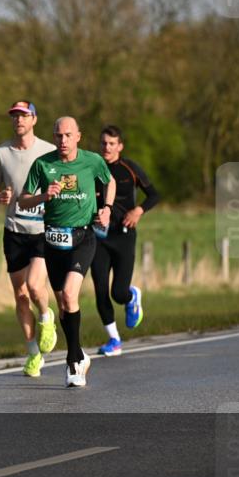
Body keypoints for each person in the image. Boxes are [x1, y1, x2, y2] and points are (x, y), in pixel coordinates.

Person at [17, 117, 115, 387]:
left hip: (83, 237)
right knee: (63, 305)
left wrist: (106, 207)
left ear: (78, 137)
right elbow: (23, 200)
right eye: (58, 136)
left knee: (71, 295)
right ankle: (80, 352)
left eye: (68, 136)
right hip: (53, 240)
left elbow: (110, 181)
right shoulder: (43, 164)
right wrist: (43, 197)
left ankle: (72, 362)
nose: (63, 141)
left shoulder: (92, 160)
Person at [0, 100, 59, 378]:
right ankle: (32, 352)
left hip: (41, 229)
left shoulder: (49, 151)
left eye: (24, 115)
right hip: (14, 230)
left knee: (34, 286)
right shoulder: (1, 153)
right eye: (15, 116)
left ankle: (45, 316)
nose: (18, 120)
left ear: (34, 120)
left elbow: (63, 183)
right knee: (19, 294)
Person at [90, 125, 160, 356]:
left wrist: (138, 211)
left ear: (120, 146)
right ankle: (114, 340)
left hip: (123, 236)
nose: (107, 148)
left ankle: (132, 296)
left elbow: (154, 195)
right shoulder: (91, 168)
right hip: (98, 237)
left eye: (112, 143)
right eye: (103, 143)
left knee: (117, 293)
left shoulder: (129, 168)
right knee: (100, 290)